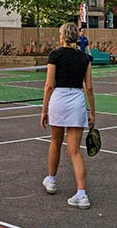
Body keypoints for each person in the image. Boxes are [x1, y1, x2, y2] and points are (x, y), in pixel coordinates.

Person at [41, 23, 96, 209]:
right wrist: (92, 113)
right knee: (74, 151)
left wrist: (44, 109)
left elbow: (49, 85)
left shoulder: (55, 55)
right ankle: (82, 194)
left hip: (59, 100)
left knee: (55, 141)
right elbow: (88, 87)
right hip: (77, 102)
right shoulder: (85, 58)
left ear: (62, 36)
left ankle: (51, 180)